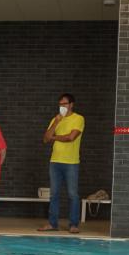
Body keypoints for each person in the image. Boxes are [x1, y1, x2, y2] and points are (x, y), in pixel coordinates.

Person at [40, 93, 85, 233]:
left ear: (71, 104)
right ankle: (52, 224)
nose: (62, 106)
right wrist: (56, 122)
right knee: (54, 194)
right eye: (60, 104)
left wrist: (54, 137)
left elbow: (71, 137)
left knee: (72, 194)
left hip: (71, 162)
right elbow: (45, 139)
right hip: (55, 161)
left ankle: (73, 225)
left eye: (64, 104)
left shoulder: (78, 118)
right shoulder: (56, 119)